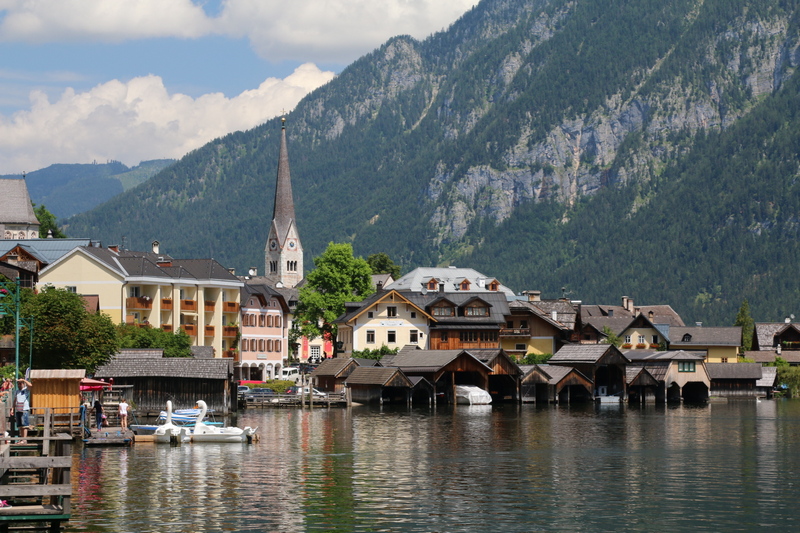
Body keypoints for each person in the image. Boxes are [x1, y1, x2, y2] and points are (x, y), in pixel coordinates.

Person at [14, 379, 32, 443]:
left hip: (24, 410)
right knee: (20, 426)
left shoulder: (26, 390)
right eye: (18, 384)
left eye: (20, 383)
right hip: (18, 409)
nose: (19, 385)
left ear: (23, 384)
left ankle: (24, 440)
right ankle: (21, 439)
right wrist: (12, 409)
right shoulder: (17, 391)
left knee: (24, 426)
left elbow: (30, 385)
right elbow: (15, 400)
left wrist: (24, 380)